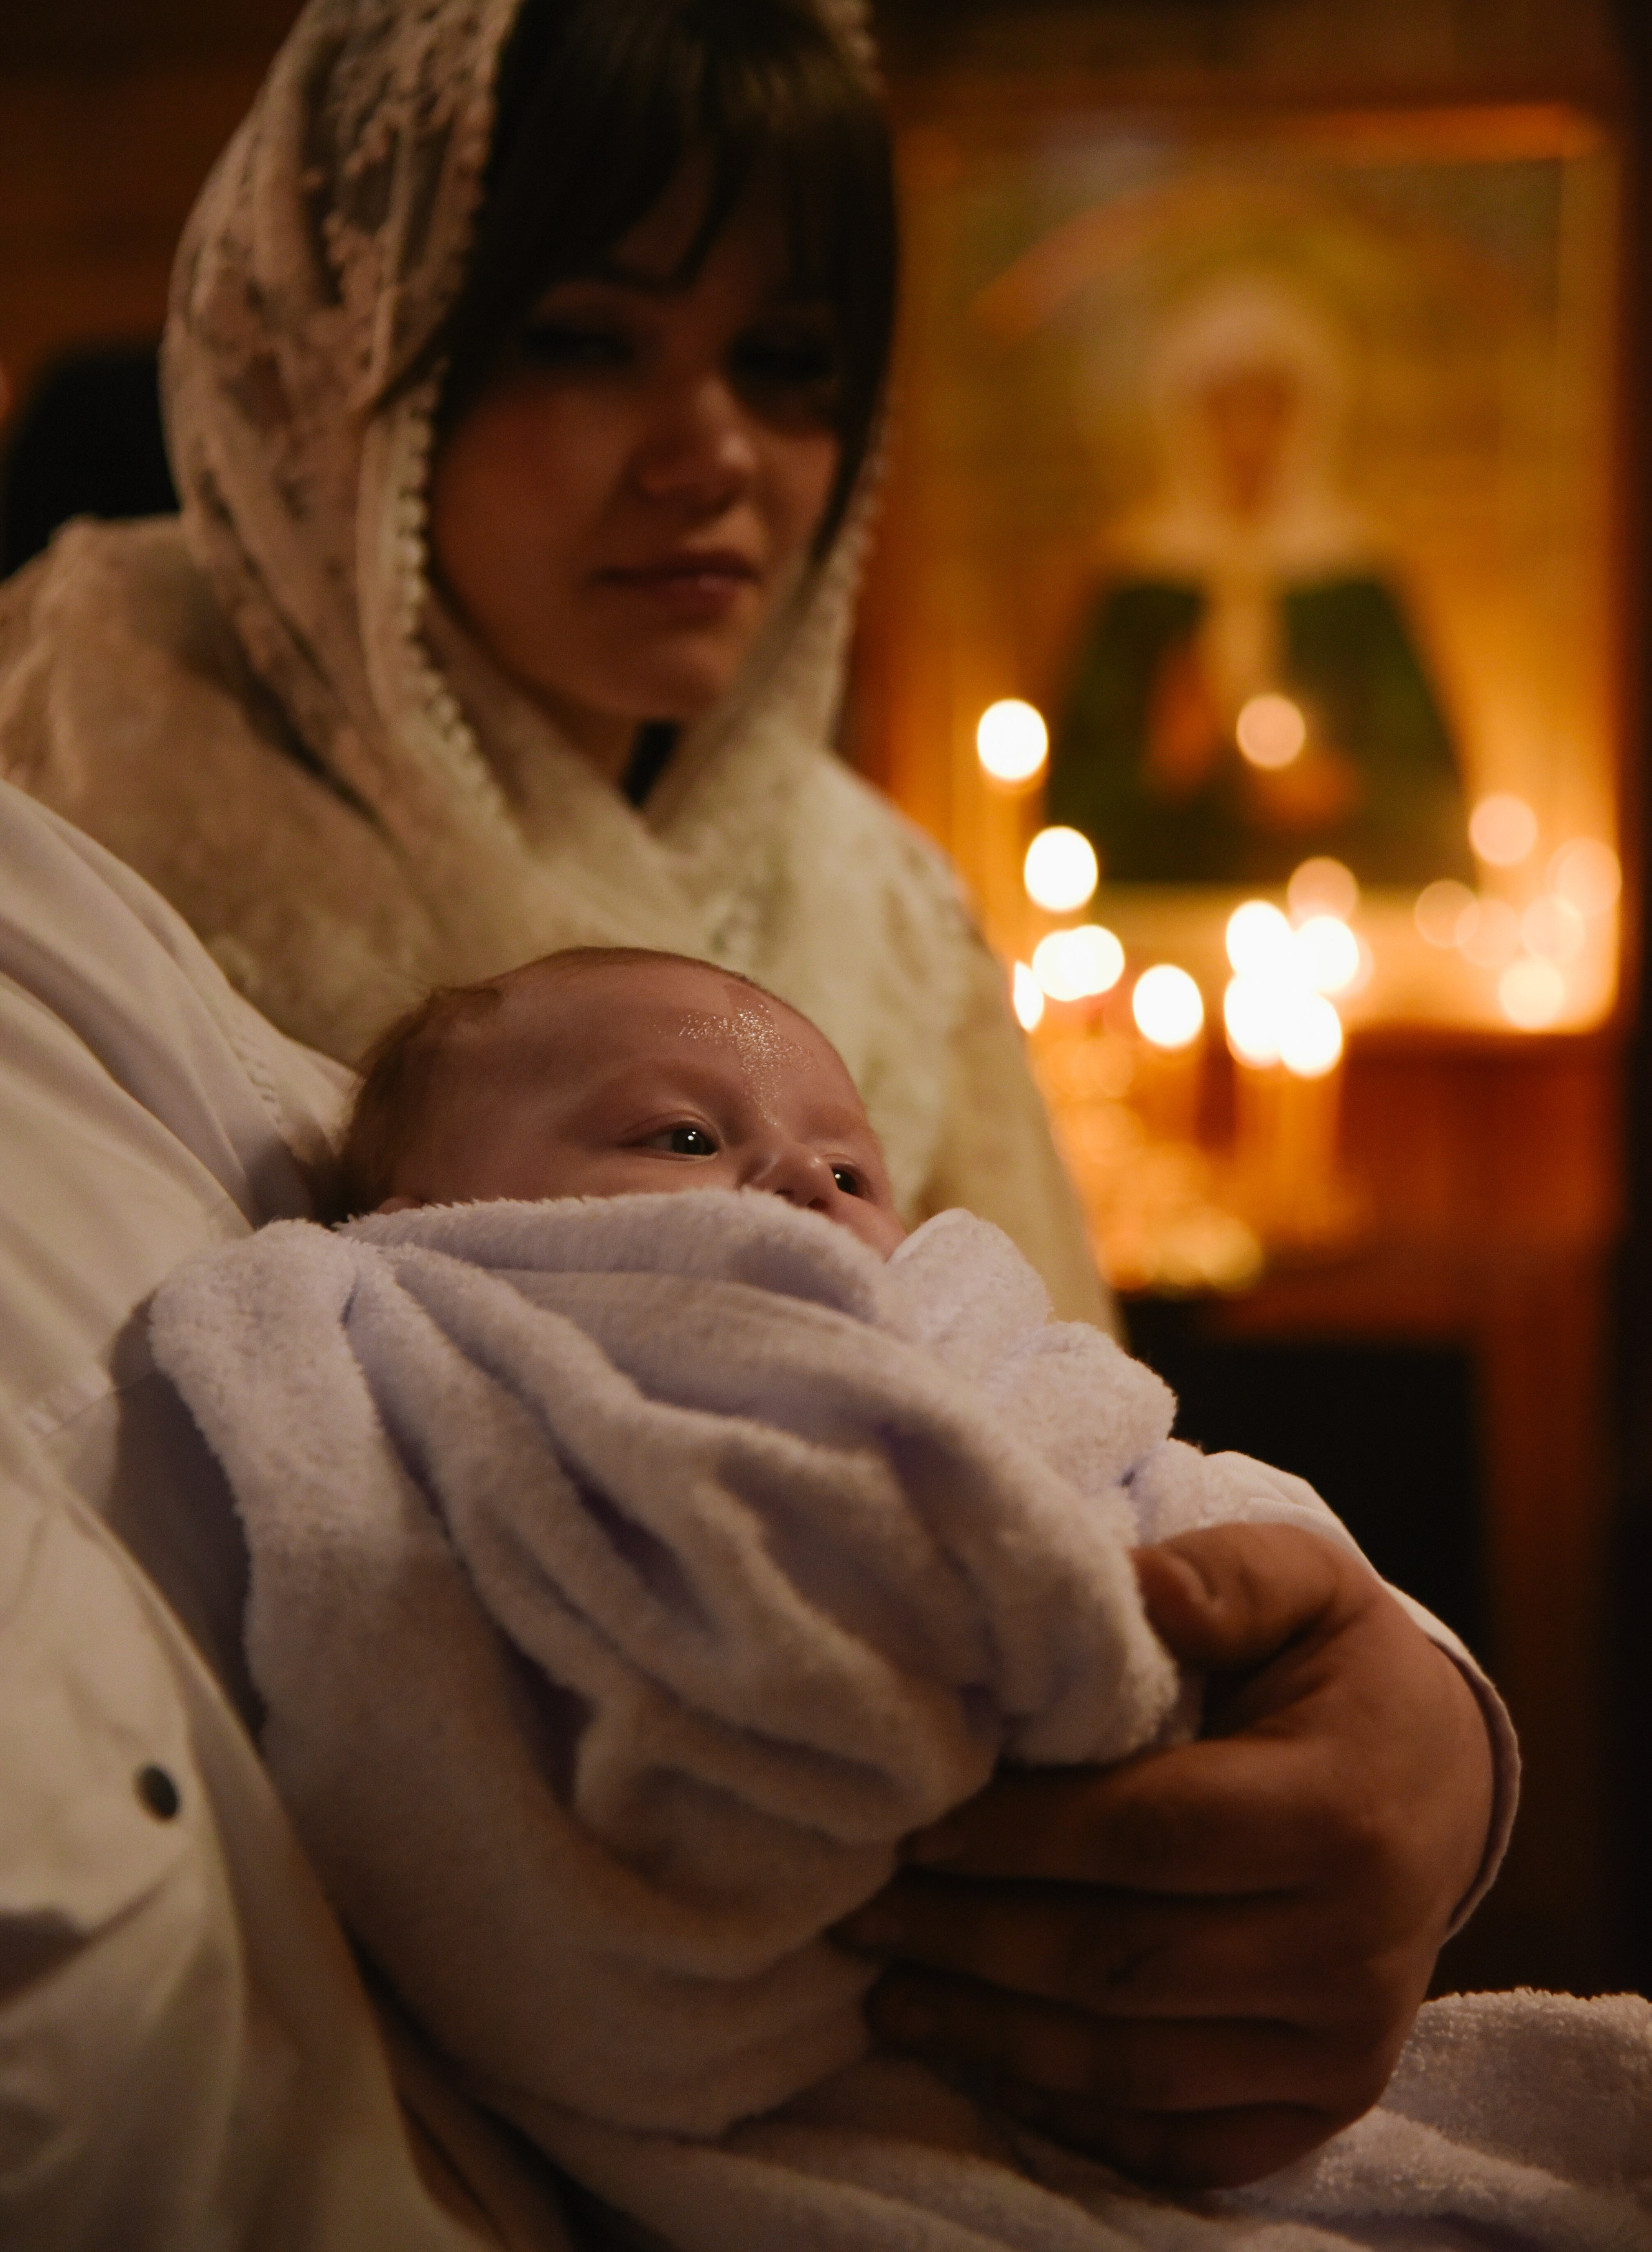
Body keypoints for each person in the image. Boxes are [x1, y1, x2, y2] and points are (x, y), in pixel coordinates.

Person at [0, 0, 1502, 2195]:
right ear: (346, 358)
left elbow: (1063, 1441)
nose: (713, 452)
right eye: (585, 341)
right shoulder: (68, 733)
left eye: (787, 363)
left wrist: (1420, 1743)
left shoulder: (874, 894)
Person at [145, 943, 1598, 2251]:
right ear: (430, 1219)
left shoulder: (963, 1312)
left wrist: (1418, 1705)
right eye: (687, 1136)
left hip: (1144, 1983)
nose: (797, 1187)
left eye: (851, 1172)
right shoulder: (416, 1347)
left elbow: (1166, 1468)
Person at [1047, 274, 1473, 888]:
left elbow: (1436, 799)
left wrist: (1342, 786)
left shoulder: (1355, 581)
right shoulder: (1139, 584)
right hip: (1160, 916)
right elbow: (1067, 808)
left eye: (1268, 406)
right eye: (1224, 407)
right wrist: (1159, 765)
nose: (1247, 437)